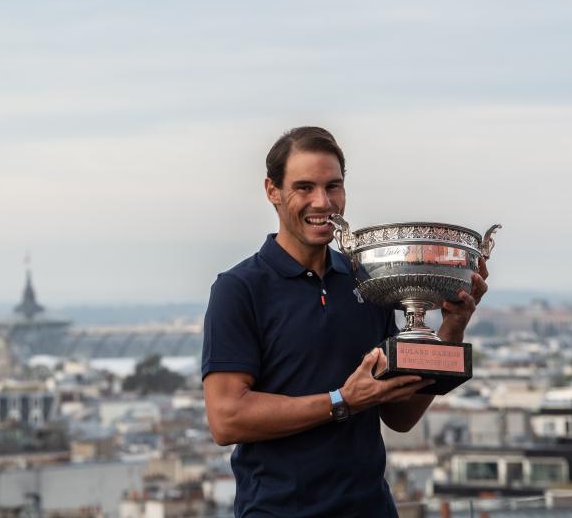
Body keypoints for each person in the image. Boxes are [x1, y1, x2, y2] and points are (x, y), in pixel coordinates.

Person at [201, 126, 490, 517]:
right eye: (304, 187)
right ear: (272, 190)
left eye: (332, 186)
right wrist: (342, 402)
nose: (322, 202)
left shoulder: (369, 280)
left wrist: (451, 328)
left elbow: (400, 415)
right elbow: (226, 419)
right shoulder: (239, 289)